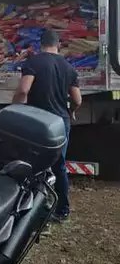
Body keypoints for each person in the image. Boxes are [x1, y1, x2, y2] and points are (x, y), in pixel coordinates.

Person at [13, 29, 82, 223]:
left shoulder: (33, 62)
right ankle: (62, 210)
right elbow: (77, 99)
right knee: (59, 166)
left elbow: (23, 90)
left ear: (40, 44)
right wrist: (72, 111)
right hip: (60, 123)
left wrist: (15, 108)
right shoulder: (69, 67)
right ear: (58, 44)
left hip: (39, 122)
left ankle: (32, 208)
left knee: (33, 164)